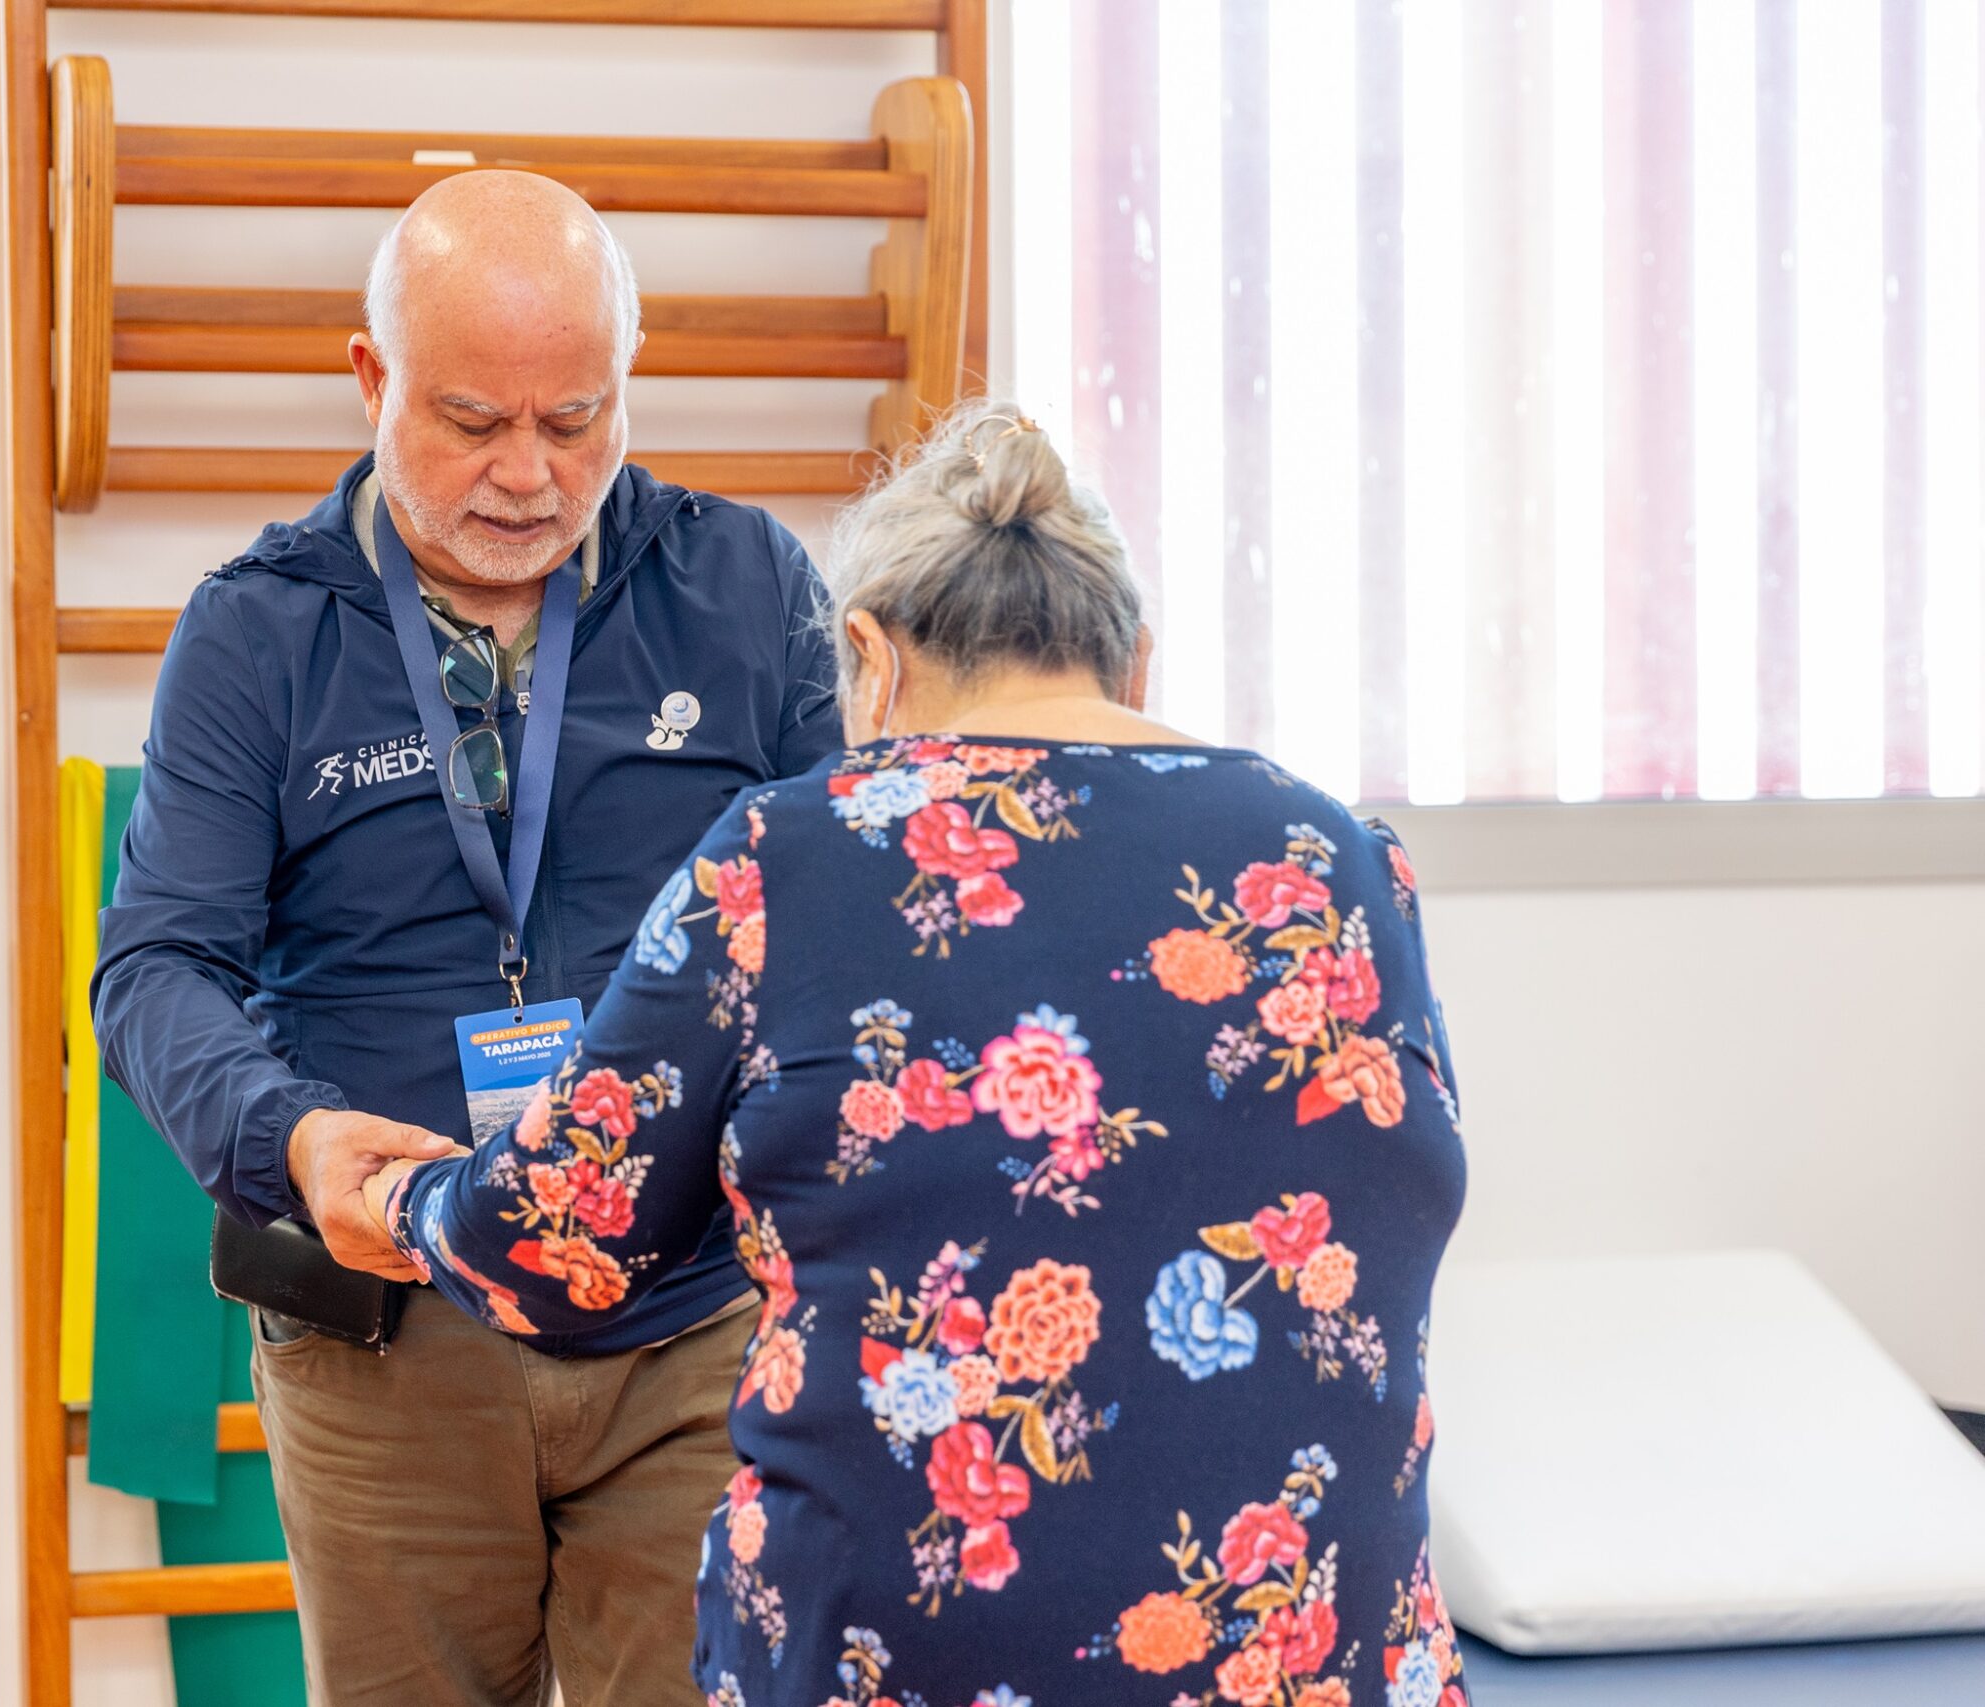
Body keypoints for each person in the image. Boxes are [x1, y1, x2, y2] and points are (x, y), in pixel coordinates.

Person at [368, 403, 1472, 1707]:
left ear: (870, 658)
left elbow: (555, 1243)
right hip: (1317, 1659)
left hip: (900, 1661)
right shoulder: (1344, 860)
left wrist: (400, 1198)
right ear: (1135, 662)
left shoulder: (795, 853)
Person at [92, 171, 840, 1705]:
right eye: (473, 421)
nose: (527, 476)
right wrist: (290, 1142)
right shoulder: (257, 630)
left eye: (575, 420)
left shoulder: (748, 587)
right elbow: (154, 971)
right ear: (372, 379)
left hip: (687, 1326)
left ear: (628, 380)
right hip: (386, 1343)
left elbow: (846, 927)